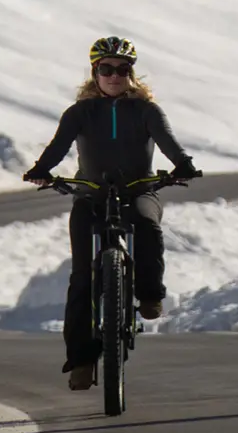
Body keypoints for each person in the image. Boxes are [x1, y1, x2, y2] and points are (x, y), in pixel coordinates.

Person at [23, 36, 199, 390]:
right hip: (91, 194)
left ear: (131, 74)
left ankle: (150, 295)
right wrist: (41, 169)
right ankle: (82, 361)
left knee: (148, 224)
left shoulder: (147, 111)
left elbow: (166, 141)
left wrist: (183, 165)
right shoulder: (79, 113)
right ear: (95, 72)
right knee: (82, 278)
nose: (115, 75)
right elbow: (58, 147)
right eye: (107, 69)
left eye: (122, 69)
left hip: (139, 189)